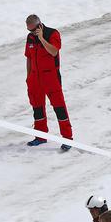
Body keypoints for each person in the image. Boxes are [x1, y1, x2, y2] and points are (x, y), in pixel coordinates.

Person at [23, 14, 73, 151]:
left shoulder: (52, 33)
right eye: (29, 30)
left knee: (59, 108)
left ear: (39, 25)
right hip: (35, 79)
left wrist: (41, 38)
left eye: (33, 30)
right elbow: (29, 58)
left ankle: (67, 138)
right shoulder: (30, 38)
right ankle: (40, 136)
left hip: (51, 78)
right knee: (37, 108)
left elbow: (54, 51)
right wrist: (28, 77)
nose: (31, 33)